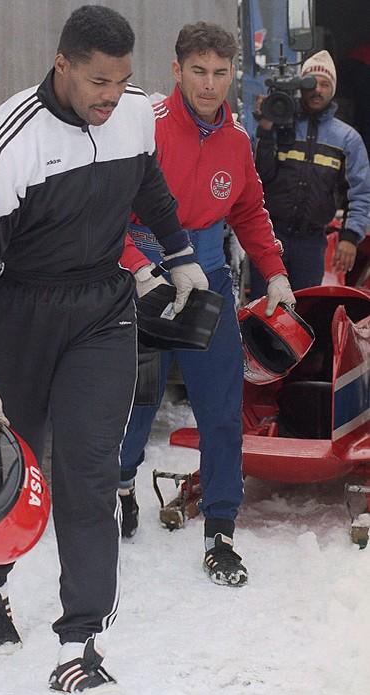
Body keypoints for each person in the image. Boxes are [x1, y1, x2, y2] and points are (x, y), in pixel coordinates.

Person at [0, 6, 208, 694]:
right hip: (21, 311)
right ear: (62, 65)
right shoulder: (10, 137)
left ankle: (80, 642)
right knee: (9, 464)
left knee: (86, 472)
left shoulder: (134, 112)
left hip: (103, 310)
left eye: (119, 82)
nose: (109, 97)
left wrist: (176, 254)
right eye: (96, 82)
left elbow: (145, 181)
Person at [118, 22, 296, 587]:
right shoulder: (146, 128)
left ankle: (220, 533)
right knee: (137, 403)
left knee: (222, 410)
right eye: (199, 71)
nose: (210, 85)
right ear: (177, 71)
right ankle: (121, 483)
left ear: (232, 75)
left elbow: (249, 212)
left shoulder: (237, 141)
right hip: (147, 282)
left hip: (210, 283)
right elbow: (105, 216)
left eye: (221, 73)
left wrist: (276, 275)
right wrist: (137, 267)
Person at [251, 50, 370, 296]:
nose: (318, 90)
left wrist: (350, 237)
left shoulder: (348, 139)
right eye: (311, 83)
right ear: (301, 87)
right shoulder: (279, 126)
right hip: (271, 238)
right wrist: (265, 128)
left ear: (333, 90)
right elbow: (259, 175)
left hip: (312, 243)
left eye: (325, 84)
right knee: (263, 312)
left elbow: (361, 193)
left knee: (305, 310)